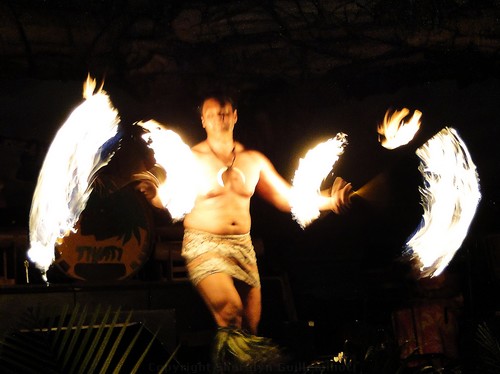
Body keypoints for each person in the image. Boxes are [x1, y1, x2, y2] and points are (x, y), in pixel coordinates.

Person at [136, 94, 352, 368]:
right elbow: (169, 199)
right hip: (204, 245)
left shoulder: (253, 160)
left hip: (243, 248)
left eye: (225, 111)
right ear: (203, 120)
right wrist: (153, 194)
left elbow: (287, 199)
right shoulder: (191, 159)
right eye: (212, 112)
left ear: (235, 115)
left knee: (250, 332)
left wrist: (330, 202)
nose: (220, 116)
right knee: (230, 313)